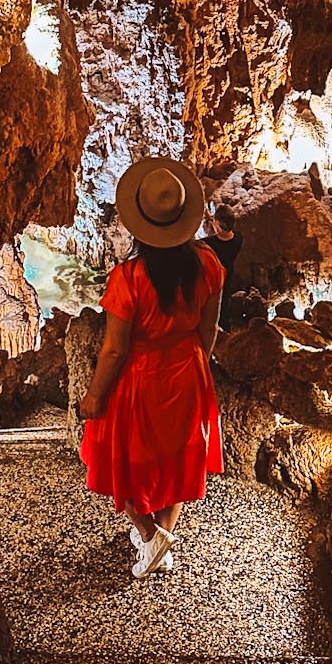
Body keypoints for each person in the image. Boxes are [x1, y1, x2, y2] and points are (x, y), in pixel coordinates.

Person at [78, 157, 226, 579]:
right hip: (188, 368)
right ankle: (162, 537)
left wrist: (94, 395)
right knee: (177, 457)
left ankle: (149, 535)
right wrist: (197, 368)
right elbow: (209, 329)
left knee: (119, 461)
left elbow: (115, 350)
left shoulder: (128, 278)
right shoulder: (209, 264)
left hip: (140, 378)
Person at [204, 203, 241, 289]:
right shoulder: (238, 237)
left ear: (217, 223)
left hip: (215, 280)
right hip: (228, 276)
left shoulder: (209, 244)